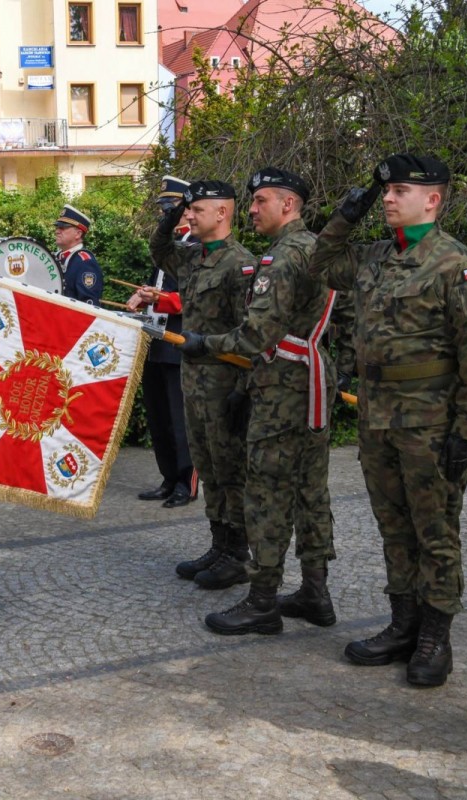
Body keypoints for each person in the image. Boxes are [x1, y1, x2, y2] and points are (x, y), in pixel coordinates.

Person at [311, 154, 467, 686]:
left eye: (397, 191)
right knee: (393, 525)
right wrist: (354, 205)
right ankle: (402, 624)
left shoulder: (456, 264)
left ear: (432, 200)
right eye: (385, 191)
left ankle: (435, 638)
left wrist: (466, 433)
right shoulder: (373, 257)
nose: (388, 199)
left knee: (435, 530)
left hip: (430, 420)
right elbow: (320, 263)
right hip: (377, 415)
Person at [178, 168, 338, 636]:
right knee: (312, 490)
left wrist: (201, 344)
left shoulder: (282, 257)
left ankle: (263, 600)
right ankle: (315, 590)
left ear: (288, 205)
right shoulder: (316, 249)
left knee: (266, 490)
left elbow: (253, 335)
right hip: (312, 376)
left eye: (260, 200)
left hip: (282, 384)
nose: (251, 209)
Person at [150, 181, 255, 590]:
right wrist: (171, 215)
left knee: (231, 470)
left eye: (196, 210)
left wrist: (242, 389)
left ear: (222, 213)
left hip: (224, 383)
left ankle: (238, 554)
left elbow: (251, 334)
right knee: (209, 467)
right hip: (192, 379)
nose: (190, 217)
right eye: (187, 211)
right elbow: (160, 251)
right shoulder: (194, 257)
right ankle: (218, 544)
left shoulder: (240, 264)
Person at [128, 176, 198, 508]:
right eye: (162, 209)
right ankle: (169, 476)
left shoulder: (197, 245)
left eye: (169, 208)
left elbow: (194, 298)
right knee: (159, 415)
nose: (164, 214)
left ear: (185, 210)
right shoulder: (167, 244)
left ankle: (187, 482)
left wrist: (159, 298)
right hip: (156, 340)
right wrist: (142, 296)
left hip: (180, 339)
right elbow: (157, 283)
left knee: (180, 417)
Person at [54, 205, 102, 305]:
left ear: (78, 234)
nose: (57, 231)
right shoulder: (55, 257)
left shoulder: (85, 262)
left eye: (62, 228)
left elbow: (88, 305)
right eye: (57, 227)